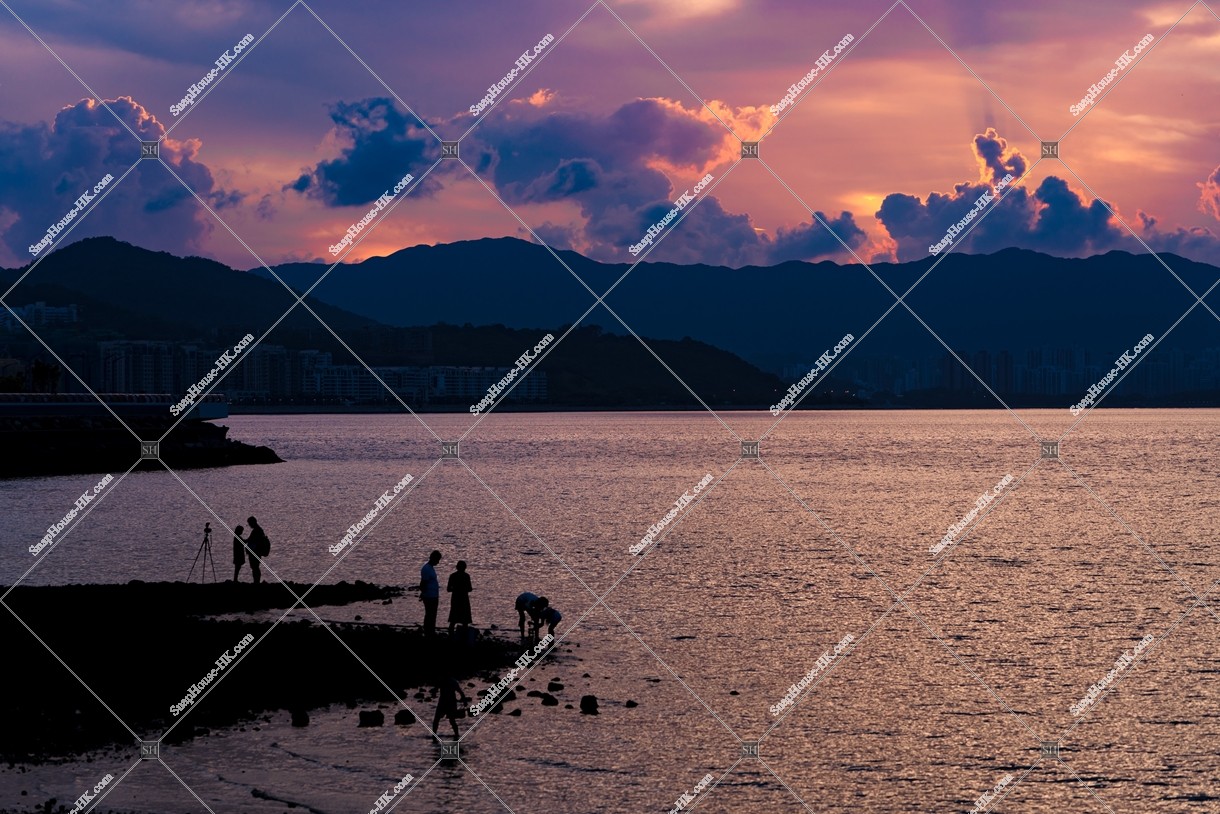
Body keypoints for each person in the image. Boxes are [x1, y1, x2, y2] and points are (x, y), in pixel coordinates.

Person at [432, 673, 469, 740]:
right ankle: (456, 735)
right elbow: (461, 692)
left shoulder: (448, 681)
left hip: (447, 703)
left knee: (442, 720)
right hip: (447, 703)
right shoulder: (450, 681)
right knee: (447, 720)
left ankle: (434, 736)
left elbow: (460, 692)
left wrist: (464, 701)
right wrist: (464, 701)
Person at [446, 561, 472, 637]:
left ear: (457, 567)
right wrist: (463, 589)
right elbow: (470, 589)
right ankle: (464, 636)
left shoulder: (452, 576)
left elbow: (448, 589)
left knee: (453, 620)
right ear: (465, 568)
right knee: (465, 621)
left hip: (455, 599)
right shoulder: (466, 576)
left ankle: (451, 636)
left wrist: (455, 589)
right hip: (464, 599)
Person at [419, 550, 441, 636]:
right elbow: (423, 583)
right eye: (438, 560)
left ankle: (431, 630)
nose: (438, 562)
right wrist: (423, 593)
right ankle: (428, 631)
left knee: (432, 614)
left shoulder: (430, 568)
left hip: (433, 595)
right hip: (429, 596)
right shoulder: (426, 568)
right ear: (433, 558)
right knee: (429, 614)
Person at [246, 516, 270, 585]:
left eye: (249, 523)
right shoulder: (258, 530)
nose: (249, 525)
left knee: (255, 567)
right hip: (256, 551)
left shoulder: (257, 530)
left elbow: (254, 541)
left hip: (256, 551)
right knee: (255, 567)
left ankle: (256, 582)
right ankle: (256, 581)